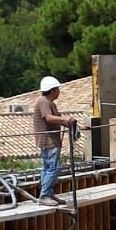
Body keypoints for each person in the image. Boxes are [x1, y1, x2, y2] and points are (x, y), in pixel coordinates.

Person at [33, 76, 78, 205]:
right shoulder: (44, 102)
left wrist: (73, 124)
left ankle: (49, 193)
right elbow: (48, 118)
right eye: (57, 89)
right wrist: (66, 119)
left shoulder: (50, 103)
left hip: (51, 140)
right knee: (53, 168)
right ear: (52, 90)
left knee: (48, 168)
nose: (59, 91)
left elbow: (58, 119)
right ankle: (45, 195)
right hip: (48, 141)